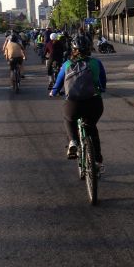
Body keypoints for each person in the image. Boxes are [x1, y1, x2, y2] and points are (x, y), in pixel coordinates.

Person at [50, 34, 106, 170]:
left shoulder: (67, 64)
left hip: (73, 103)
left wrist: (54, 91)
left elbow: (58, 83)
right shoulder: (96, 63)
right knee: (91, 127)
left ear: (73, 49)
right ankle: (97, 160)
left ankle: (73, 141)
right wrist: (101, 88)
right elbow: (103, 82)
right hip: (94, 102)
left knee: (68, 119)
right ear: (89, 48)